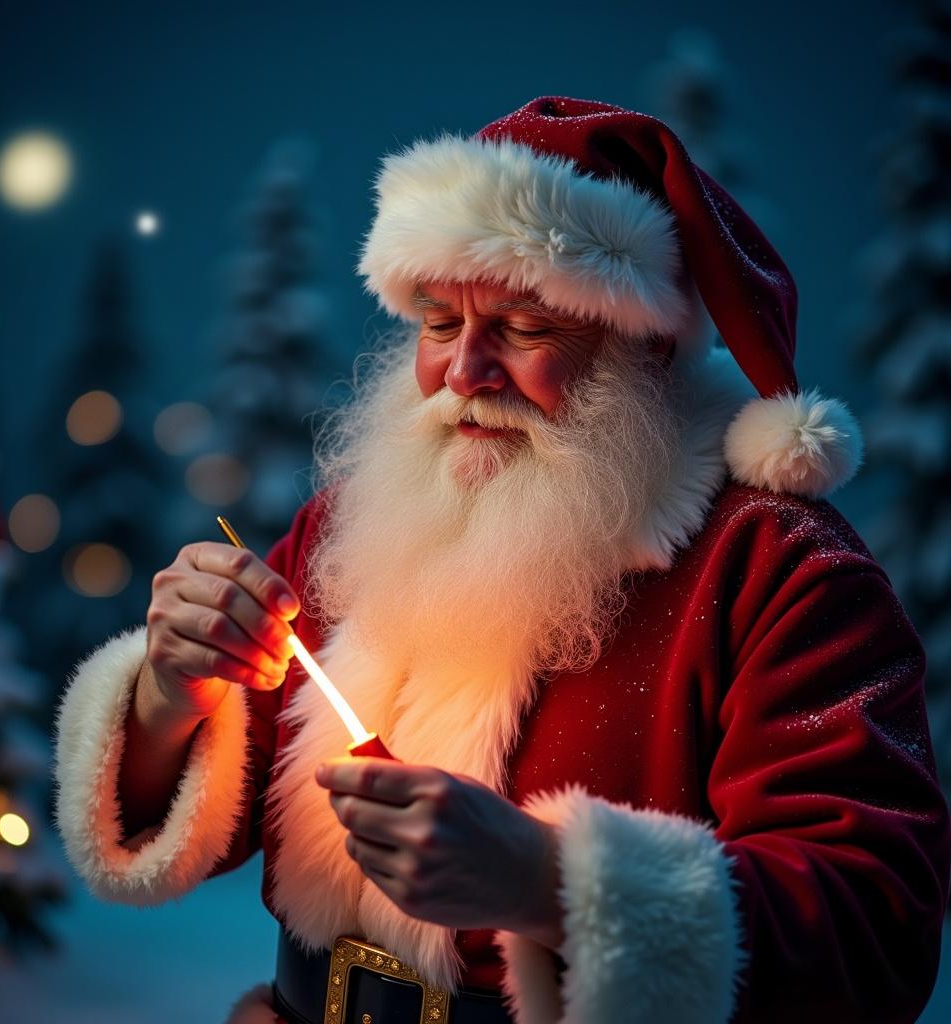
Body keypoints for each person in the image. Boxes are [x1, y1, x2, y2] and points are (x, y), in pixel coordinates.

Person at [53, 97, 951, 1024]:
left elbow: (874, 926)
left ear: (645, 349)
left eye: (523, 329)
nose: (464, 373)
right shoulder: (356, 522)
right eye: (440, 323)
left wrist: (550, 882)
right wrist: (170, 695)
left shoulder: (778, 569)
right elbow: (217, 810)